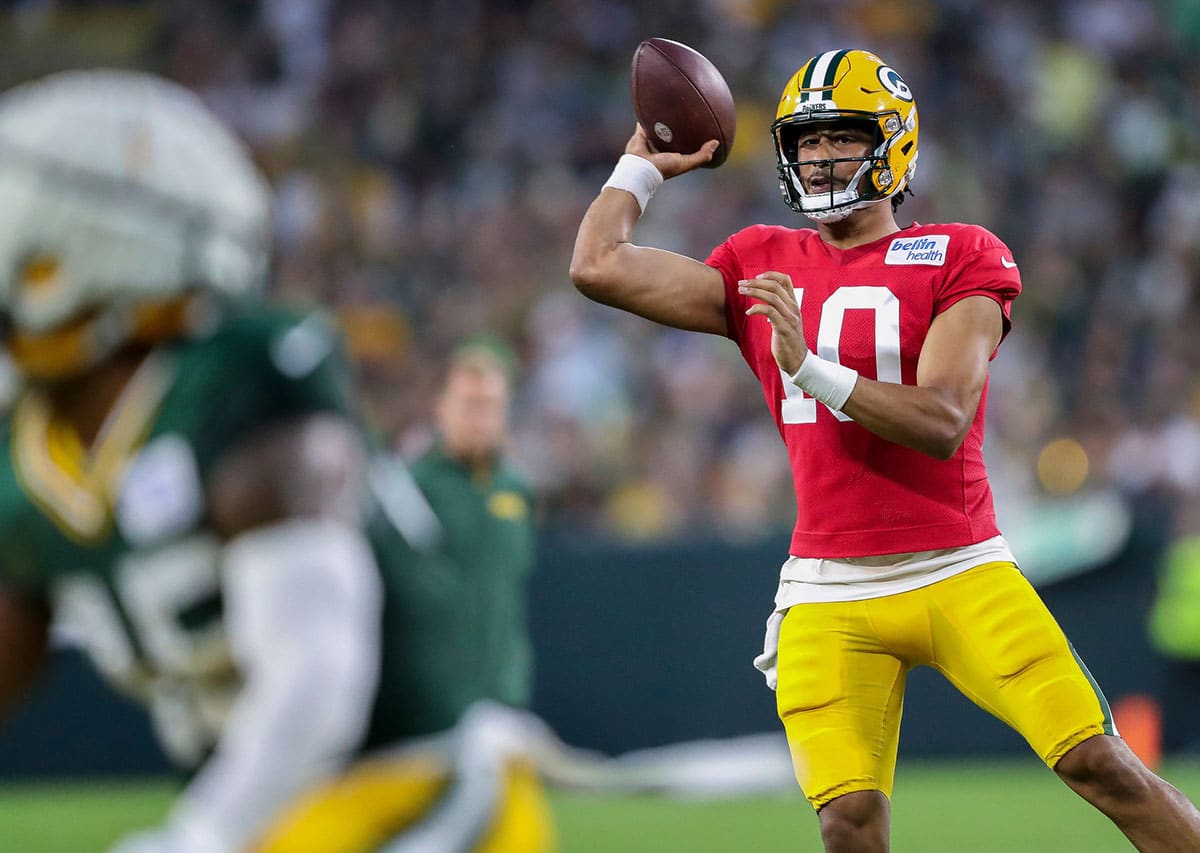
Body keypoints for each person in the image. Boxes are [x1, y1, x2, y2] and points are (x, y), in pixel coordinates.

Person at [569, 47, 1200, 852]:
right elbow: (596, 265)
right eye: (806, 142)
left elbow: (941, 419)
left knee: (1099, 762)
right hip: (826, 586)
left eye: (840, 138)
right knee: (847, 822)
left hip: (957, 566)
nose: (820, 157)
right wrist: (639, 164)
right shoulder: (760, 259)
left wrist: (811, 369)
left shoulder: (961, 253)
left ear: (894, 144)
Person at [0, 70, 554, 852]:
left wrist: (202, 837)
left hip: (411, 793)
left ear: (86, 242)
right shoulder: (28, 443)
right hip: (271, 810)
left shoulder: (247, 379)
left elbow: (317, 677)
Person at [409, 339, 537, 711]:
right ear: (441, 409)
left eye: (491, 407)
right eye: (470, 406)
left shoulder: (517, 489)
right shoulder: (415, 488)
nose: (480, 420)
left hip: (505, 689)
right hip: (434, 696)